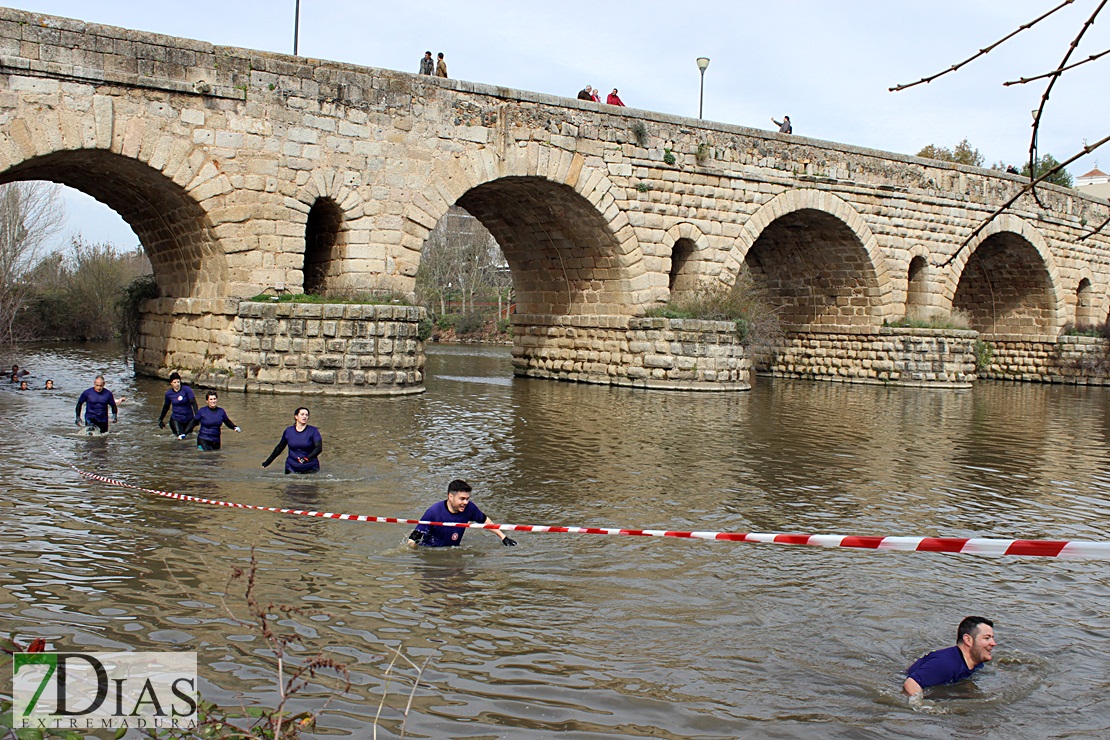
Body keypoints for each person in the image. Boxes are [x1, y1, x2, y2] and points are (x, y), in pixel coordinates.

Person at [407, 479, 517, 548]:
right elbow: (413, 539)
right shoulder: (433, 512)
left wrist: (503, 537)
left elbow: (485, 521)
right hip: (432, 552)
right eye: (462, 499)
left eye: (467, 499)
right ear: (450, 496)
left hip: (453, 551)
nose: (465, 502)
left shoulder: (469, 508)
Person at [903, 616, 996, 696]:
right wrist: (925, 709)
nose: (993, 643)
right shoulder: (945, 664)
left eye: (992, 638)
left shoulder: (976, 662)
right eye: (987, 638)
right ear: (968, 640)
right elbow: (910, 684)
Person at [262, 407, 323, 474]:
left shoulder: (313, 431)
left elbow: (318, 448)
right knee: (290, 484)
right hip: (291, 466)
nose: (305, 416)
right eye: (302, 414)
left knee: (307, 484)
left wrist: (307, 458)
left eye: (306, 415)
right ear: (296, 416)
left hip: (310, 467)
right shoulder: (289, 431)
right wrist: (268, 461)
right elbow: (280, 447)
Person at [158, 372, 198, 437]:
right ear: (171, 383)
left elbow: (193, 402)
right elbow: (166, 407)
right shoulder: (169, 394)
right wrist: (161, 419)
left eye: (178, 382)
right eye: (175, 382)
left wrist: (197, 416)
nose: (177, 384)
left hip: (188, 418)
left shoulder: (187, 389)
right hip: (176, 419)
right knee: (180, 436)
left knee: (188, 437)